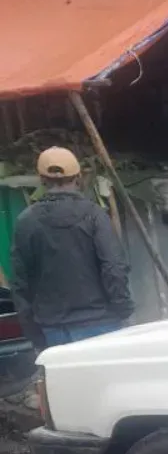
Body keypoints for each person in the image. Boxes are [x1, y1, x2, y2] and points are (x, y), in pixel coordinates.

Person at [9, 147, 133, 350]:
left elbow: (20, 283)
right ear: (78, 177)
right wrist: (124, 310)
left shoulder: (26, 221)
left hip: (54, 330)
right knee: (105, 382)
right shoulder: (94, 216)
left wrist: (33, 332)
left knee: (67, 382)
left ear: (42, 179)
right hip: (100, 324)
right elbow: (113, 267)